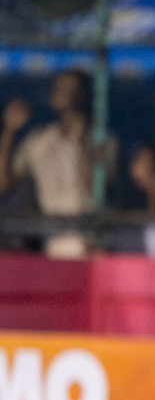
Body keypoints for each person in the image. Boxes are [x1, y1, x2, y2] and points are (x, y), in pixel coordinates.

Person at [0, 70, 110, 259]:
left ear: (86, 96)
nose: (68, 95)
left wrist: (81, 144)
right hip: (54, 242)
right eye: (62, 89)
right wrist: (9, 132)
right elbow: (3, 183)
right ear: (53, 97)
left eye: (74, 90)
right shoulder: (38, 142)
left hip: (91, 241)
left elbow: (98, 190)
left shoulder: (100, 141)